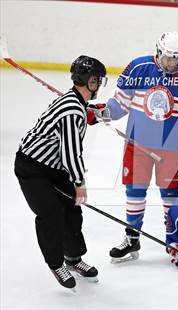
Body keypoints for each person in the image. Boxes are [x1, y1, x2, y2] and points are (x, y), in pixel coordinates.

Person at [87, 31, 178, 263]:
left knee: (170, 194)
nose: (173, 63)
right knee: (135, 192)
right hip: (138, 143)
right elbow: (119, 104)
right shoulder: (138, 68)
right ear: (158, 52)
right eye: (168, 57)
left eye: (177, 58)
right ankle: (132, 237)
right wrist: (102, 112)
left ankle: (173, 238)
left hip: (170, 146)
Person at [14, 55, 107, 290]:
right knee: (51, 213)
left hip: (54, 167)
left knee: (72, 210)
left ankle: (73, 258)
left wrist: (98, 114)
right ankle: (56, 264)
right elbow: (71, 153)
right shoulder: (71, 110)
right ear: (89, 81)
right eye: (97, 80)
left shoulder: (76, 102)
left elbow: (82, 116)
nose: (99, 85)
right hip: (32, 167)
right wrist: (79, 182)